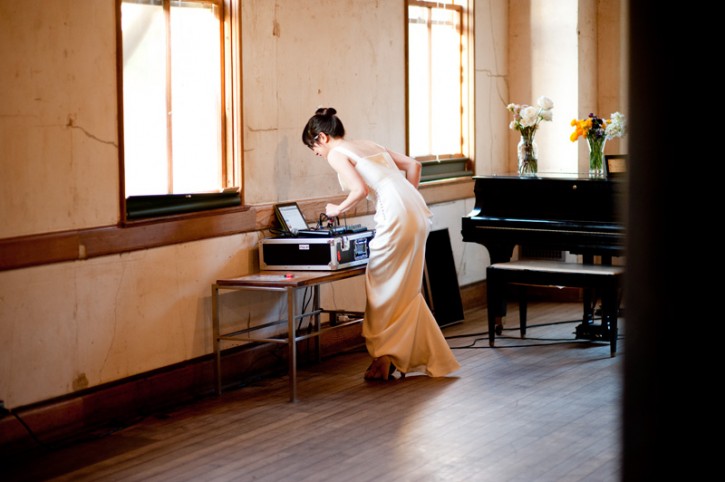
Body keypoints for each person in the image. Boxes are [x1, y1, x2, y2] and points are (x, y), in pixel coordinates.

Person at [302, 107, 460, 381]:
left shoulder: (337, 153)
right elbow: (414, 165)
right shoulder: (368, 144)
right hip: (416, 209)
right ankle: (391, 357)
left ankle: (385, 356)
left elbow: (360, 190)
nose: (316, 153)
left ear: (323, 137)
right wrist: (406, 197)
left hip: (396, 212)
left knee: (380, 284)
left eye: (313, 146)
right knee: (404, 288)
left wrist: (337, 210)